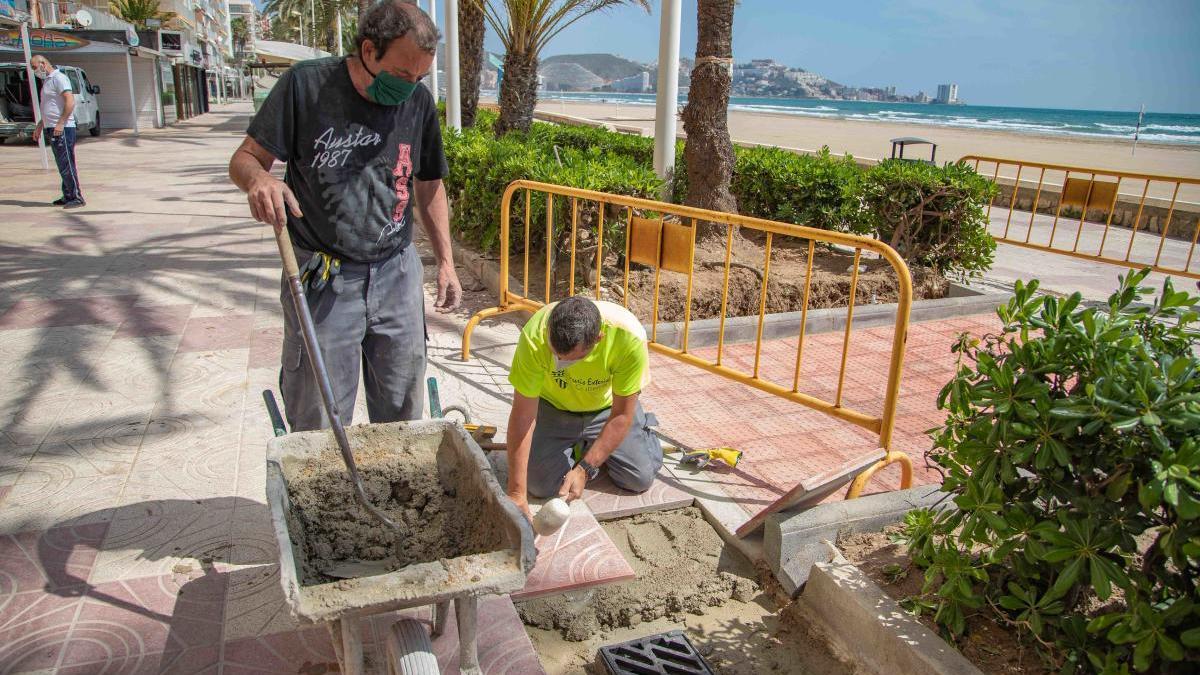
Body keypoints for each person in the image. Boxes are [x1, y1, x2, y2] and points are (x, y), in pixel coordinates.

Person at [228, 0, 461, 431]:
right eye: (401, 76)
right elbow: (244, 159)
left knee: (402, 411)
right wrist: (259, 180)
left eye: (419, 79)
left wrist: (446, 262)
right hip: (324, 277)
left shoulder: (419, 102)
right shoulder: (306, 86)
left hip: (396, 273)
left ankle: (393, 495)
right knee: (317, 414)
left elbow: (429, 185)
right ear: (369, 51)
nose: (409, 89)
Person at [504, 296, 664, 519]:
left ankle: (641, 432)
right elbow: (522, 415)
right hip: (555, 408)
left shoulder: (628, 337)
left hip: (607, 410)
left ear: (598, 339)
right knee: (539, 485)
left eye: (569, 360)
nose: (559, 363)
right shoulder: (535, 334)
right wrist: (516, 494)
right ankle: (584, 445)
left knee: (638, 479)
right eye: (554, 353)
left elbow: (620, 415)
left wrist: (585, 469)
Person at [30, 55, 84, 208]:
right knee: (62, 163)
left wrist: (60, 123)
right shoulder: (47, 81)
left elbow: (69, 101)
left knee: (66, 162)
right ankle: (68, 195)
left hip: (63, 128)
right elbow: (50, 107)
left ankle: (76, 197)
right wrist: (41, 124)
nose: (35, 71)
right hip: (51, 126)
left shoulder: (58, 78)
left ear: (43, 63)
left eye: (35, 67)